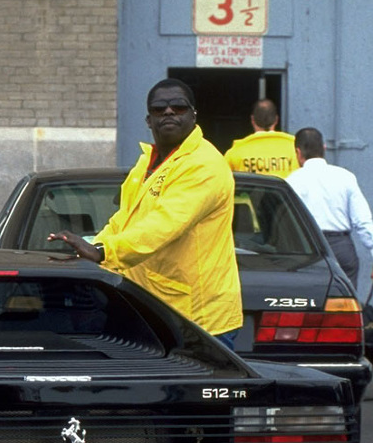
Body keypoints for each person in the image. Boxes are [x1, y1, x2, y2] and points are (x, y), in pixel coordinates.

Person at [49, 79, 243, 346]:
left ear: (194, 115)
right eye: (159, 108)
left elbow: (165, 224)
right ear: (149, 120)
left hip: (197, 319)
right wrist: (92, 246)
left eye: (179, 107)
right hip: (151, 306)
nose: (169, 112)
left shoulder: (205, 164)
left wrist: (105, 252)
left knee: (187, 389)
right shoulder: (147, 163)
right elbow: (124, 219)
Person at [286, 127, 373, 289]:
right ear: (324, 148)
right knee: (345, 308)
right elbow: (362, 220)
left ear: (298, 152)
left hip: (307, 251)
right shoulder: (345, 177)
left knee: (309, 307)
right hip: (342, 249)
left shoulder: (292, 182)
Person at [224, 98, 298, 178]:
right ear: (276, 120)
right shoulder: (296, 150)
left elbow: (225, 182)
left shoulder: (234, 152)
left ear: (252, 120)